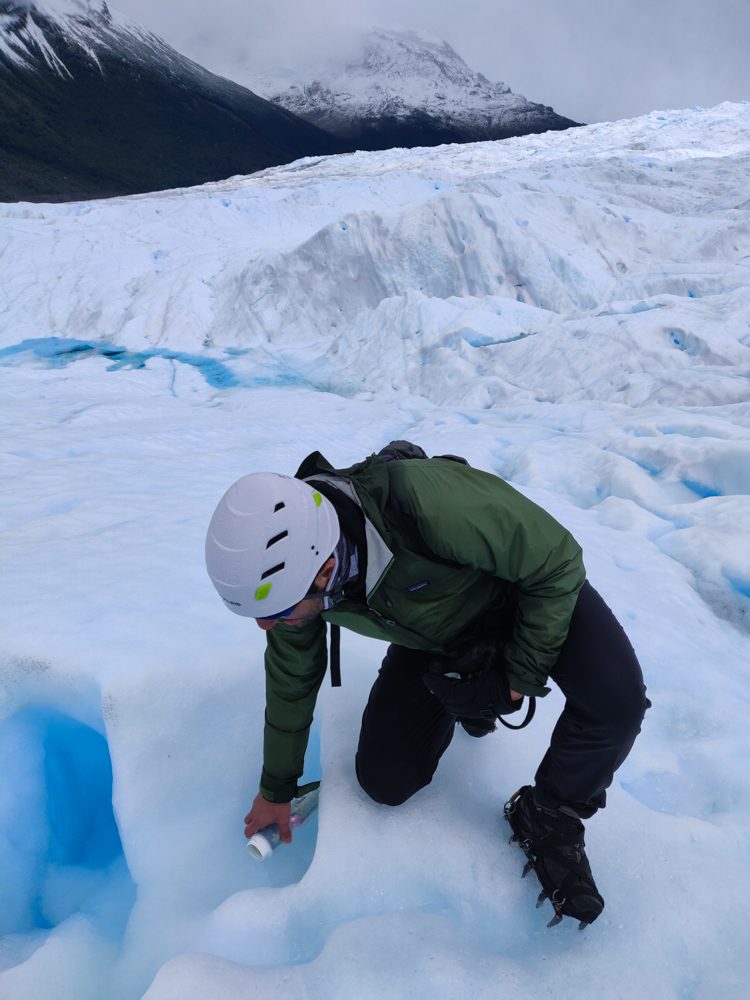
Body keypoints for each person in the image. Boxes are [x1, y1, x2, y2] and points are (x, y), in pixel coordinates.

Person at [205, 443, 650, 928]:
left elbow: (557, 561)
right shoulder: (298, 576)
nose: (266, 627)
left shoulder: (430, 506)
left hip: (530, 588)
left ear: (326, 570)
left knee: (616, 702)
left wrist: (516, 680)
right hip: (432, 627)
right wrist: (277, 789)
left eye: (276, 613)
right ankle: (466, 690)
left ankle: (551, 812)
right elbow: (292, 679)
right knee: (385, 781)